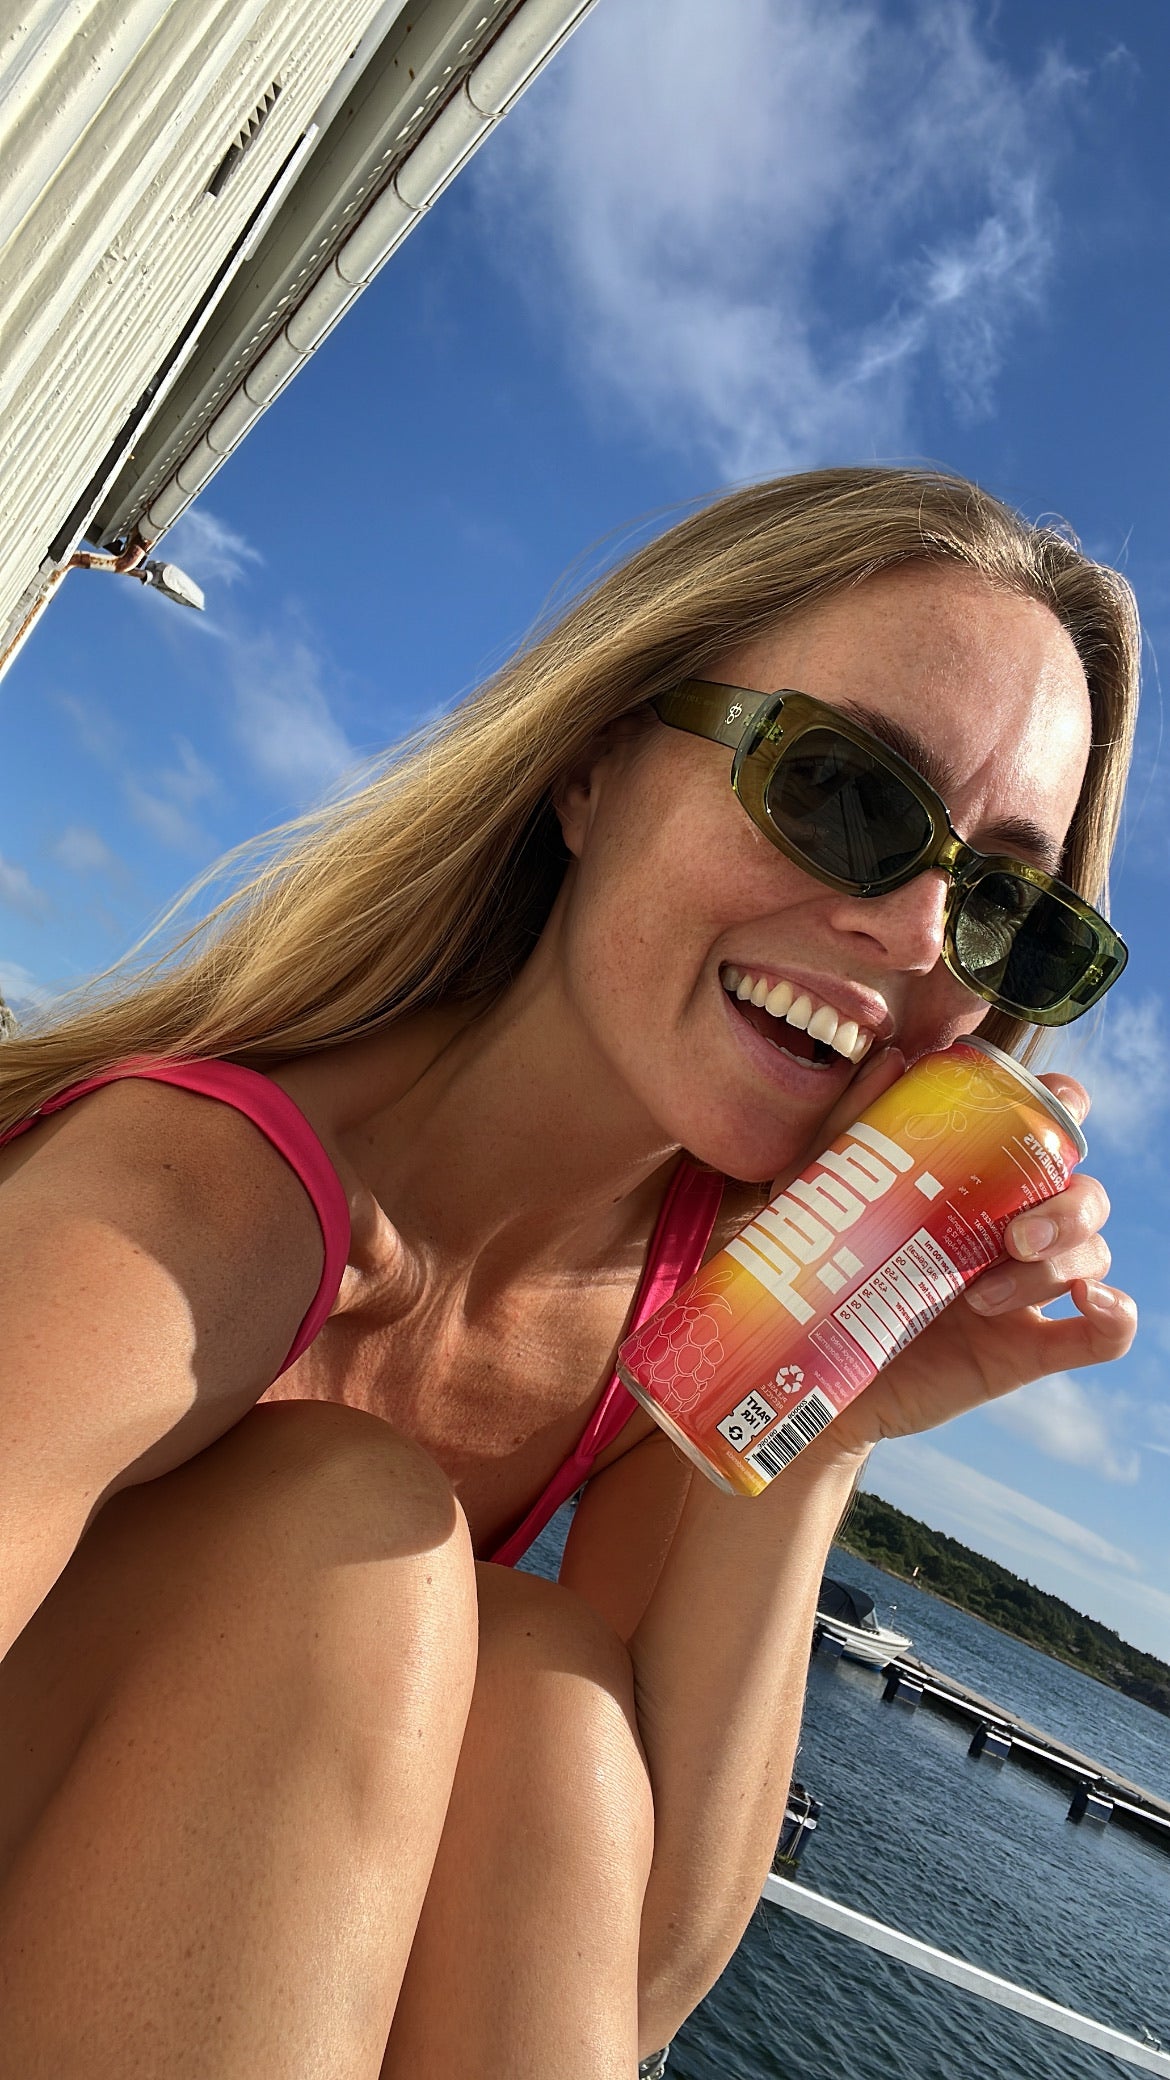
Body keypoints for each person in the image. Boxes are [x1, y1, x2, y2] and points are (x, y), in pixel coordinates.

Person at [0, 466, 1139, 2078]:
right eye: (845, 794)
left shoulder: (675, 1328)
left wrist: (817, 1430)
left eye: (1006, 912)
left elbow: (639, 1985)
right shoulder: (193, 1208)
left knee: (539, 1683)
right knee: (353, 1539)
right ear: (595, 768)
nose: (912, 929)